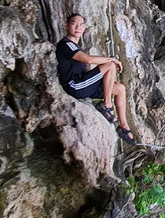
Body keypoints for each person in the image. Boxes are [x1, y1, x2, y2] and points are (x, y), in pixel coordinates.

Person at [55, 13, 138, 145]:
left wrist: (107, 80)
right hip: (75, 86)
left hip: (83, 84)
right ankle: (106, 105)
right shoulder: (66, 45)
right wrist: (112, 60)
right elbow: (88, 59)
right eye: (74, 23)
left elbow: (84, 70)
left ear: (84, 28)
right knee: (110, 65)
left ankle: (124, 126)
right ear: (66, 26)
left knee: (120, 89)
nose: (78, 27)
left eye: (81, 24)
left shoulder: (76, 46)